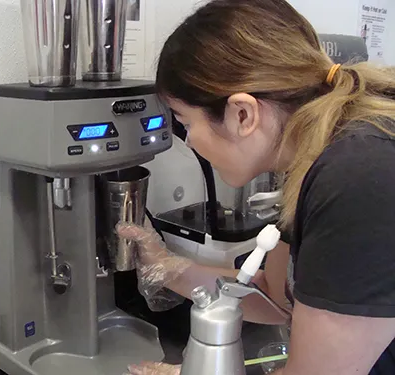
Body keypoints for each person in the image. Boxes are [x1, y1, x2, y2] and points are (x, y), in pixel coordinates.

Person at [117, 0, 395, 374]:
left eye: (184, 122)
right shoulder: (311, 158)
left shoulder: (358, 177)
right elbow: (278, 296)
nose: (189, 142)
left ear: (242, 114)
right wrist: (165, 268)